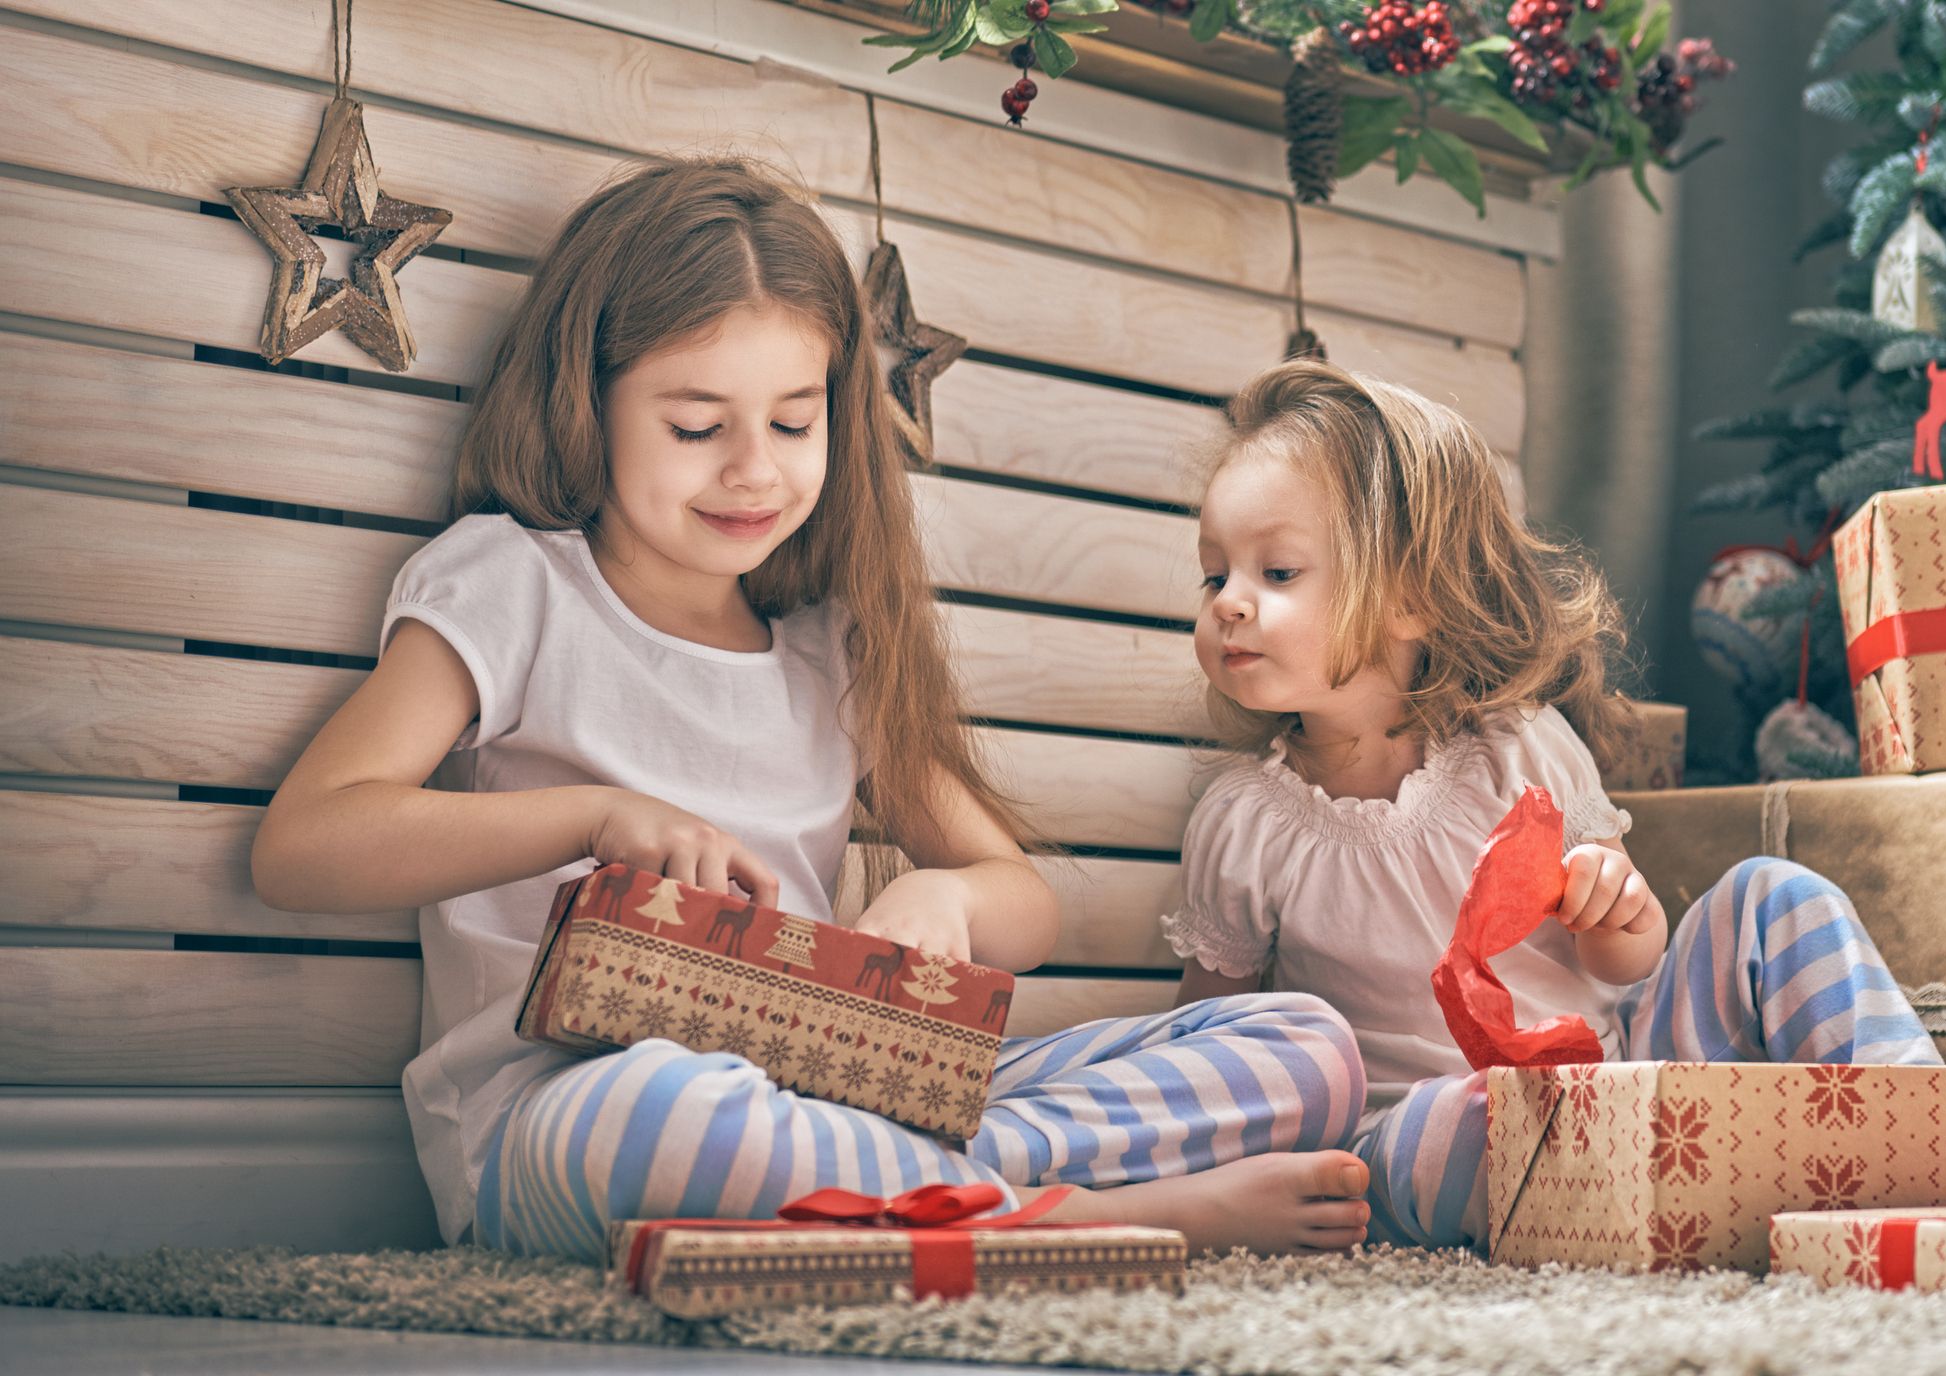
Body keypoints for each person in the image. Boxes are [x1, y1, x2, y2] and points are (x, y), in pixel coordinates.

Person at [252, 157, 1372, 1261]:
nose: (754, 471)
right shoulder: (510, 587)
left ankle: (922, 1181)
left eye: (793, 424)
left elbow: (1021, 906)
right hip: (569, 1115)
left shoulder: (829, 644)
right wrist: (590, 817)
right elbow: (306, 846)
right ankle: (1072, 1216)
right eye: (697, 427)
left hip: (836, 1096)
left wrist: (946, 898)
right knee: (671, 1109)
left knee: (1303, 1044)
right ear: (586, 403)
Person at [1162, 359, 1940, 1251]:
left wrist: (1621, 908)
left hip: (1619, 1080)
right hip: (1416, 1134)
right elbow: (1209, 1046)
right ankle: (1702, 1197)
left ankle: (1919, 1144)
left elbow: (1623, 965)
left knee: (1777, 894)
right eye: (1213, 577)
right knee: (1442, 1126)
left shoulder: (1519, 747)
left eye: (1279, 572)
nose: (1229, 605)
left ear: (1412, 597)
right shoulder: (1243, 821)